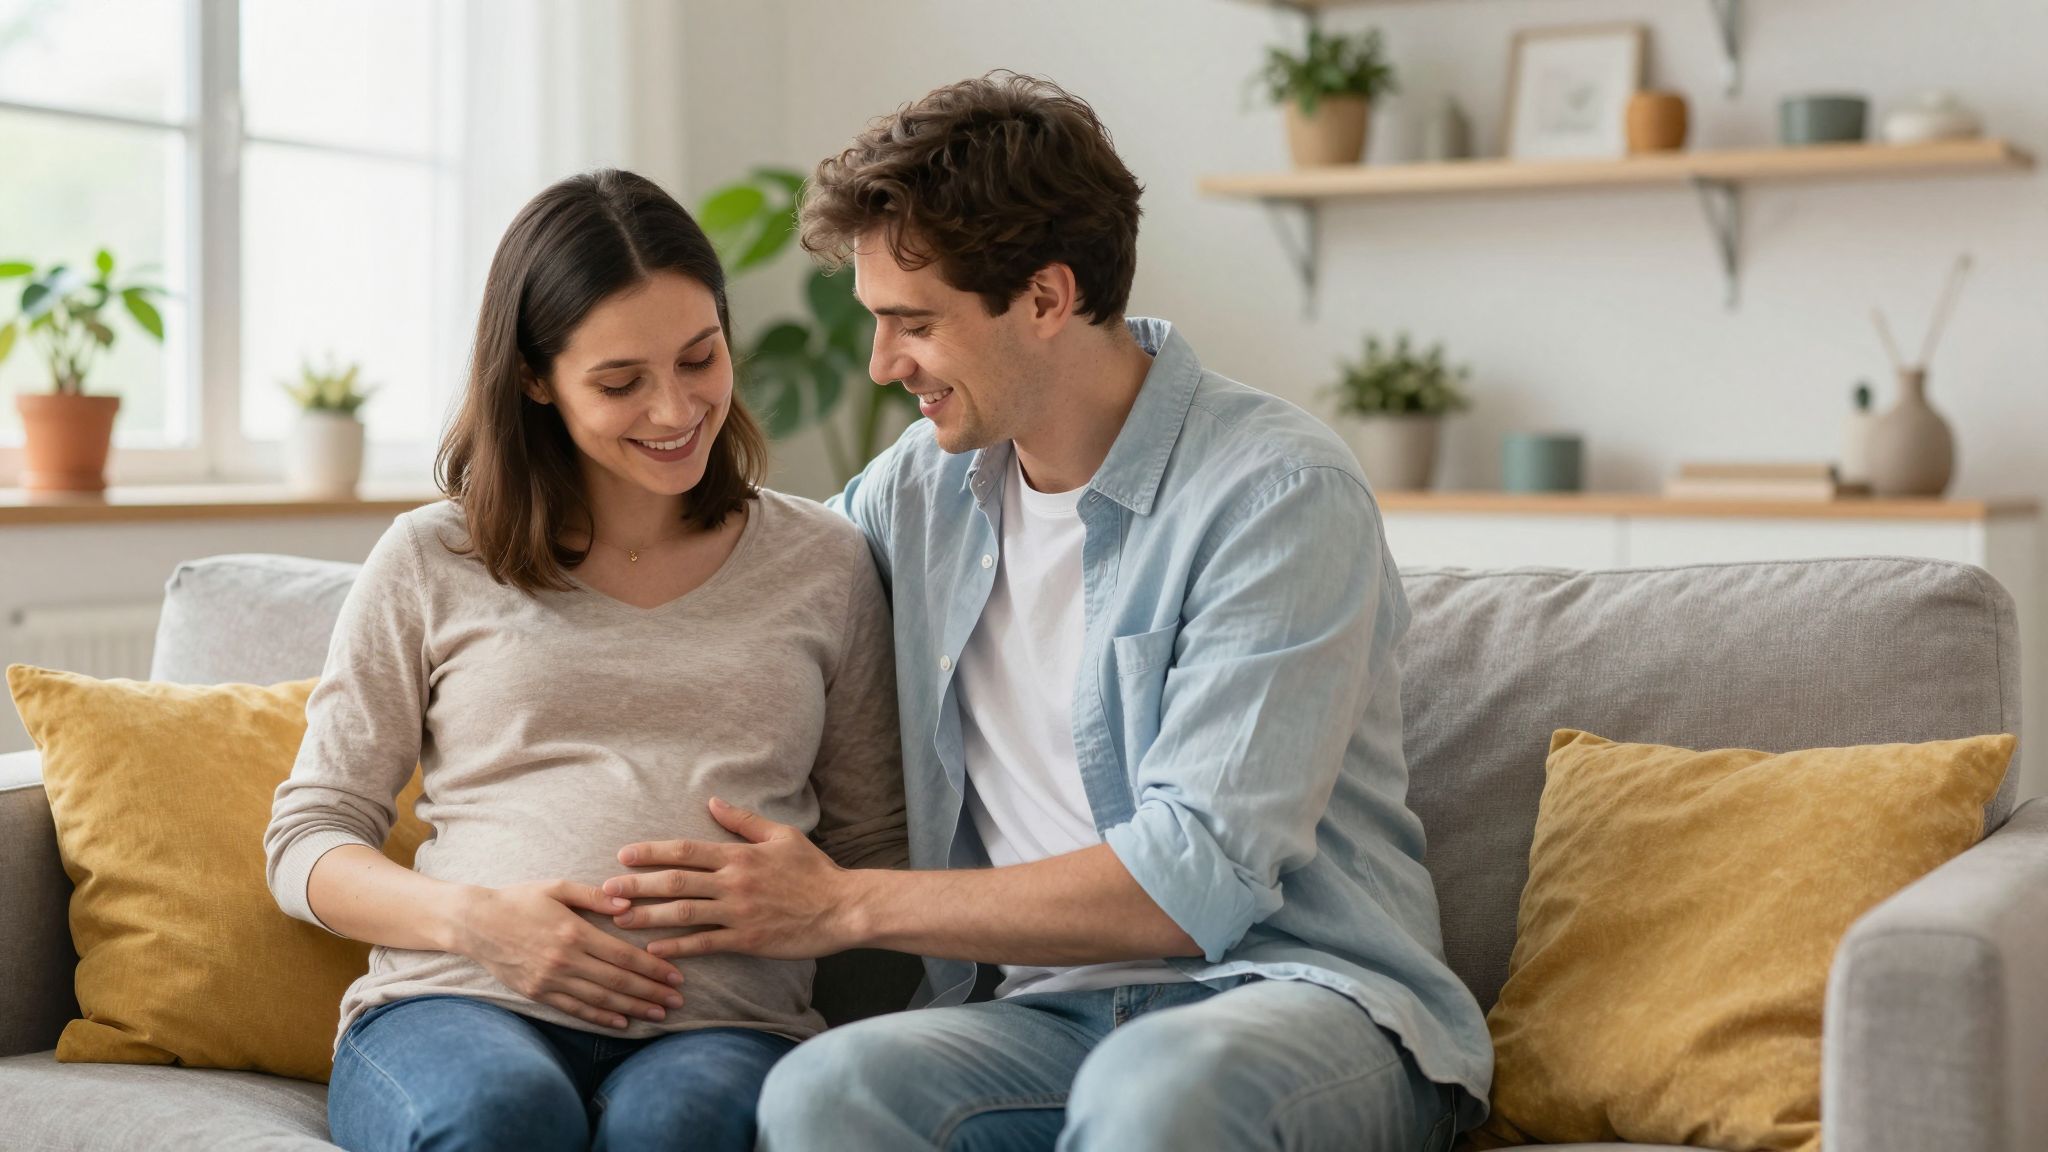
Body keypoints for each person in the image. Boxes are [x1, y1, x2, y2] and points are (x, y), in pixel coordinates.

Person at [597, 74, 1493, 1151]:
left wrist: (842, 904)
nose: (883, 365)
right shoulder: (918, 489)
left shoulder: (1276, 493)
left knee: (1160, 1095)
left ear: (1044, 298)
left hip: (1295, 1000)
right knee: (824, 1092)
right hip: (1043, 1016)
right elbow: (749, 586)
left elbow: (1186, 884)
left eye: (911, 324)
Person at [262, 169, 906, 1152]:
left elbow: (876, 849)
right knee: (498, 1116)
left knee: (680, 1129)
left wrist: (814, 905)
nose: (675, 407)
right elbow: (308, 839)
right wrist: (476, 922)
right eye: (619, 382)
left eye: (701, 358)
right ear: (533, 377)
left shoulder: (822, 560)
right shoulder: (432, 558)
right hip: (460, 1006)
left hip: (724, 1028)